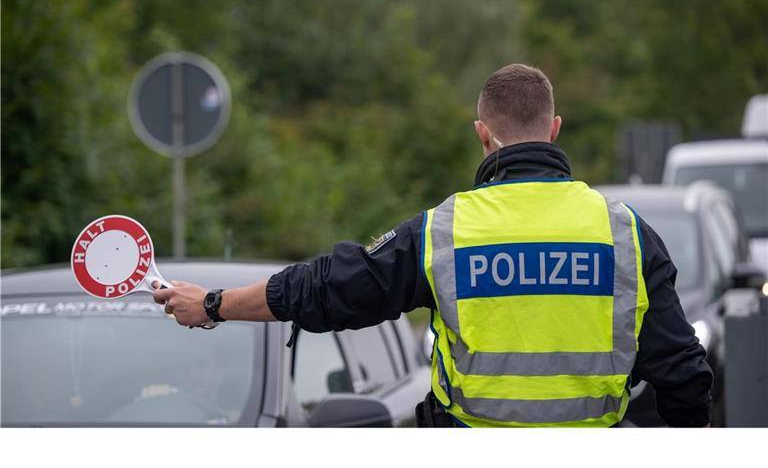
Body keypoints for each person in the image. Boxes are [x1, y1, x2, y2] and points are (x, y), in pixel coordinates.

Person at [153, 63, 713, 427]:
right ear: (555, 128)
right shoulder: (626, 234)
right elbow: (685, 375)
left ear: (482, 133)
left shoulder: (445, 232)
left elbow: (328, 288)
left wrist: (212, 304)